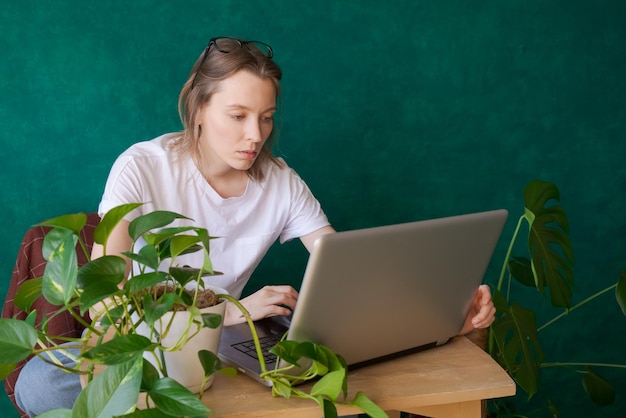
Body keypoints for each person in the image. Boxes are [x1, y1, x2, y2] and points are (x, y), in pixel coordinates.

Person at [14, 37, 496, 416]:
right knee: (40, 383)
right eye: (238, 116)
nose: (255, 136)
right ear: (199, 109)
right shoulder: (142, 167)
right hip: (152, 343)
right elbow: (107, 303)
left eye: (266, 118)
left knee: (343, 383)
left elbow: (354, 274)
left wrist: (448, 309)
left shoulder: (281, 182)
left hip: (225, 348)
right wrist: (228, 313)